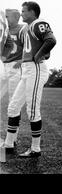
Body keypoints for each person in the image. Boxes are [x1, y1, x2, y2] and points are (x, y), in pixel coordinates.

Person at [1, 1, 56, 158]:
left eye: (24, 11)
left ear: (32, 12)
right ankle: (9, 144)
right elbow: (43, 48)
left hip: (35, 69)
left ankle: (35, 148)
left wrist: (38, 56)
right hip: (27, 70)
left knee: (32, 110)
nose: (22, 13)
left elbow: (51, 40)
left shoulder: (39, 23)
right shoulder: (26, 28)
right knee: (13, 107)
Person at [0, 9, 26, 143]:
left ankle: (13, 137)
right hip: (4, 67)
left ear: (17, 17)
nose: (5, 18)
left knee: (13, 102)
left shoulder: (23, 29)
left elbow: (31, 47)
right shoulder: (4, 29)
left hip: (15, 68)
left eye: (7, 16)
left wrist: (22, 60)